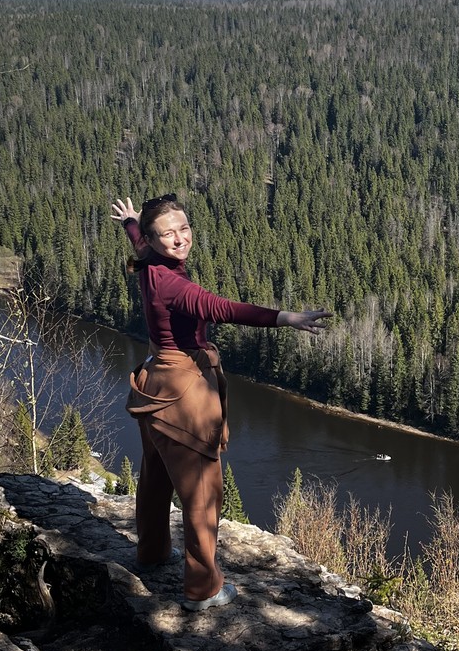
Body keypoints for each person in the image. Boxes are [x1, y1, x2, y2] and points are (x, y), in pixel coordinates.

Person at [110, 192, 329, 611]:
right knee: (202, 493)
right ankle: (203, 589)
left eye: (184, 228)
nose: (179, 239)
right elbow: (222, 308)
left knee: (156, 475)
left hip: (155, 380)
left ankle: (153, 552)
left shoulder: (150, 263)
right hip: (183, 392)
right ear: (156, 241)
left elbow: (139, 243)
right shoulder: (173, 284)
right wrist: (286, 318)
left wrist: (132, 222)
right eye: (168, 234)